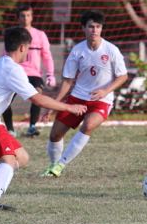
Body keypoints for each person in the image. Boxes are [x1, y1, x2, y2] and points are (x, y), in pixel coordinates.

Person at [0, 27, 86, 211]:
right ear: (23, 48)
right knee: (8, 162)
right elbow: (36, 98)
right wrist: (68, 107)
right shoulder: (12, 69)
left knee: (21, 158)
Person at [40, 10, 128, 177]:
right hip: (77, 98)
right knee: (55, 134)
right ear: (83, 28)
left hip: (102, 100)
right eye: (90, 27)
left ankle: (60, 166)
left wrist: (105, 91)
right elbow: (67, 81)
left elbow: (123, 76)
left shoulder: (111, 50)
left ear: (101, 29)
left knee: (88, 125)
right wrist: (53, 106)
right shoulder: (77, 51)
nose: (94, 30)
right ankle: (52, 166)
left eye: (98, 27)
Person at [2, 4, 56, 138]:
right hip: (14, 72)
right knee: (4, 99)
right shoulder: (12, 34)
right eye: (22, 15)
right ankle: (10, 129)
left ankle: (32, 127)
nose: (25, 18)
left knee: (37, 95)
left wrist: (50, 74)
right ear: (18, 18)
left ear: (32, 17)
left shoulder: (40, 35)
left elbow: (47, 56)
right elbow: (5, 54)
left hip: (33, 74)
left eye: (28, 15)